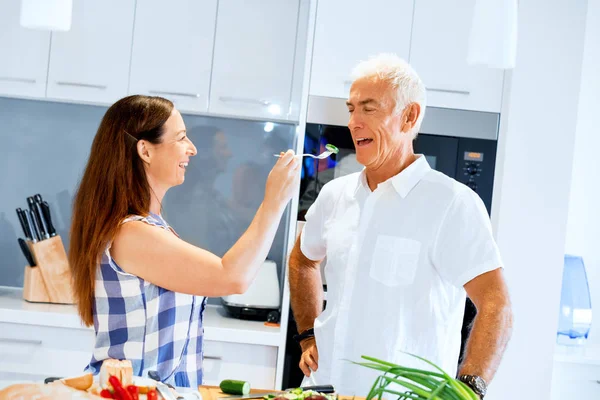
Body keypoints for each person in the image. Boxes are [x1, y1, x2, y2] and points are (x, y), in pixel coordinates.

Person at [288, 54, 513, 398]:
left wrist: (468, 390)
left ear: (409, 116)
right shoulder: (335, 195)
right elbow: (303, 259)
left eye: (369, 108)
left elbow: (497, 304)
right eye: (351, 109)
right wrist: (307, 335)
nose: (354, 122)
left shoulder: (452, 204)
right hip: (322, 390)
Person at [68, 95, 300, 388]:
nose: (192, 149)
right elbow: (233, 278)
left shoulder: (150, 227)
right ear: (145, 151)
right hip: (134, 394)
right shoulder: (132, 234)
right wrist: (274, 201)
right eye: (180, 138)